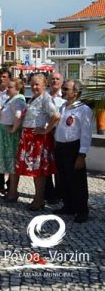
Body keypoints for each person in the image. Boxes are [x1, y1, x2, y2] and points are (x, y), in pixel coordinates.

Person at [13, 74, 60, 211]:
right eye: (32, 84)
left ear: (44, 85)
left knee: (38, 172)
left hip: (37, 139)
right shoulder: (34, 98)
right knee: (35, 171)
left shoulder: (45, 98)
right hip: (29, 137)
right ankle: (38, 198)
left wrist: (46, 130)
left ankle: (39, 200)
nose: (34, 87)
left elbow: (56, 115)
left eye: (37, 84)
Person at [53, 79, 92, 223]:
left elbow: (86, 134)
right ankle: (68, 206)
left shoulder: (83, 109)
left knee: (78, 181)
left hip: (74, 147)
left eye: (66, 89)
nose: (63, 91)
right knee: (63, 178)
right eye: (63, 88)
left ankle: (82, 210)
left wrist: (82, 154)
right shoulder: (63, 107)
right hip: (61, 147)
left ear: (75, 92)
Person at [0, 79, 26, 202]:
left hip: (10, 137)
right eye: (8, 87)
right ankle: (11, 191)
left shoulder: (18, 99)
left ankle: (13, 192)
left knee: (13, 164)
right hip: (5, 133)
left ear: (17, 88)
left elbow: (19, 116)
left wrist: (13, 129)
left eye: (11, 87)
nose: (8, 89)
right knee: (9, 164)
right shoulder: (11, 99)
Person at [45, 72, 65, 204]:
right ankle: (48, 192)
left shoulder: (65, 99)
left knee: (58, 164)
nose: (55, 81)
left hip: (58, 134)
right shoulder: (44, 97)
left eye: (57, 79)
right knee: (46, 163)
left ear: (61, 82)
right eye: (52, 79)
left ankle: (60, 192)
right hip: (45, 134)